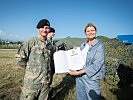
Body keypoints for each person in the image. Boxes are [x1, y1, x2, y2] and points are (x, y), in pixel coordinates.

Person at [16, 19, 54, 100]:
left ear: (49, 29)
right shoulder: (30, 42)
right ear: (38, 29)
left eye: (47, 28)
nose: (44, 30)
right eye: (42, 27)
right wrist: (32, 70)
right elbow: (20, 59)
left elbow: (51, 61)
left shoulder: (50, 45)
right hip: (32, 83)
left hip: (45, 83)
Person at [69, 23, 105, 100]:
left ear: (96, 31)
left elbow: (97, 65)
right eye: (88, 31)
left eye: (92, 30)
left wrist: (78, 72)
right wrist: (75, 51)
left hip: (91, 78)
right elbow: (79, 58)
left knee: (93, 98)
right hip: (79, 78)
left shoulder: (99, 46)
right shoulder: (83, 45)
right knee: (81, 97)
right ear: (85, 33)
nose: (90, 32)